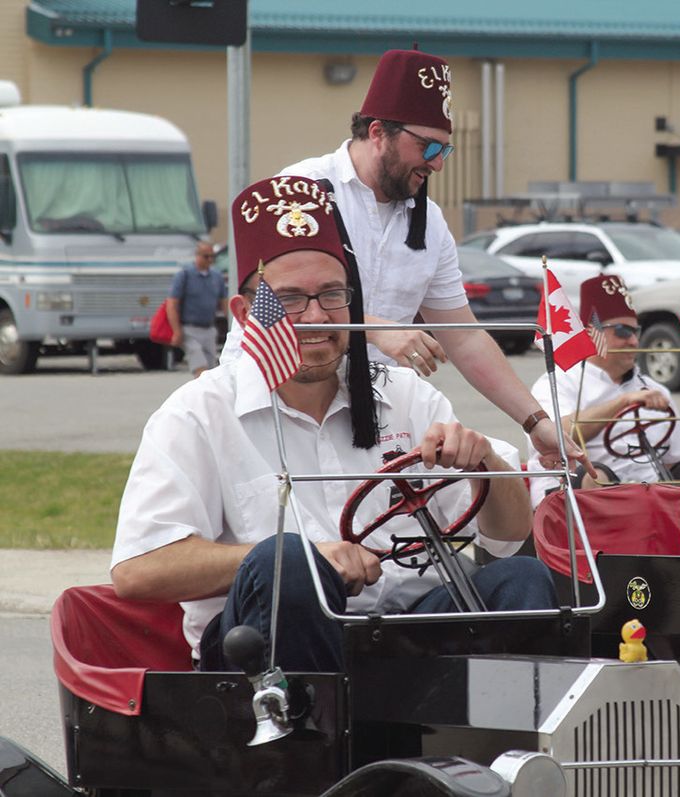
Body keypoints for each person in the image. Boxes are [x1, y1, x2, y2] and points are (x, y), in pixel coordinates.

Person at [112, 175, 558, 673]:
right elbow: (137, 570)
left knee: (522, 579)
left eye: (331, 295)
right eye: (289, 300)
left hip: (404, 632)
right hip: (259, 654)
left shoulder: (404, 395)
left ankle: (504, 746)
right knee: (288, 560)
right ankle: (302, 739)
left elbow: (508, 533)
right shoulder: (197, 413)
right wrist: (301, 558)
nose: (316, 317)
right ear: (244, 312)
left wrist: (485, 464)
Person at [219, 48, 586, 474]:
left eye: (445, 151)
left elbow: (464, 337)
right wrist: (372, 329)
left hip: (366, 414)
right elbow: (277, 307)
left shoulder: (429, 223)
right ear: (378, 132)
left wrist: (536, 420)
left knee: (488, 475)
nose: (436, 163)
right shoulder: (298, 192)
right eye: (428, 146)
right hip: (275, 406)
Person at [526, 274, 680, 506]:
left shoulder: (653, 389)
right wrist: (623, 402)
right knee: (596, 478)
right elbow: (555, 436)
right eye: (623, 331)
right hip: (581, 493)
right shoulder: (557, 383)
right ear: (592, 330)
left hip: (649, 497)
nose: (634, 341)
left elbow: (679, 458)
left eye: (637, 331)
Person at [169, 240, 226, 377]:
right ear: (197, 256)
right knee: (200, 366)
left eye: (212, 257)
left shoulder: (216, 277)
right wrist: (176, 331)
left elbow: (224, 301)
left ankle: (209, 396)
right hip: (189, 328)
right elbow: (172, 303)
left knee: (211, 370)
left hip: (209, 328)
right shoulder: (185, 275)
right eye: (206, 256)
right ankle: (201, 395)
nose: (210, 260)